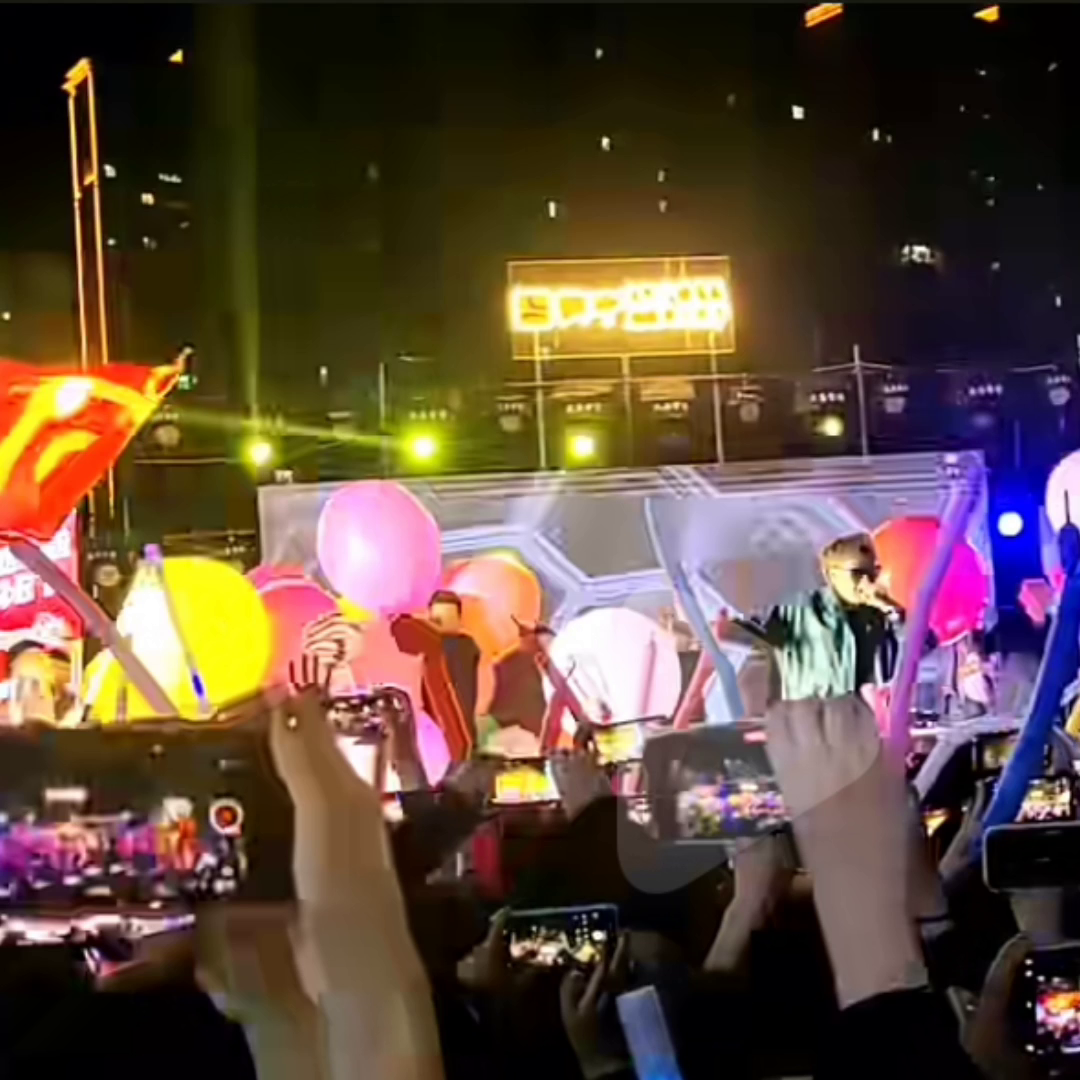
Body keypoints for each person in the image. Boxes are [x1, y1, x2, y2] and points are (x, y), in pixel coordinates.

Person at [721, 532, 905, 704]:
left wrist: (891, 610)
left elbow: (910, 648)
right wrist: (733, 631)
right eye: (857, 573)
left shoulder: (877, 614)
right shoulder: (802, 610)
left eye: (872, 572)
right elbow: (762, 635)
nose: (867, 581)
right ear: (834, 574)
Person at [428, 590, 481, 737]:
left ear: (458, 619)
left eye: (448, 618)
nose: (442, 624)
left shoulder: (465, 646)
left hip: (457, 732)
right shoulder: (428, 645)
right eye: (437, 619)